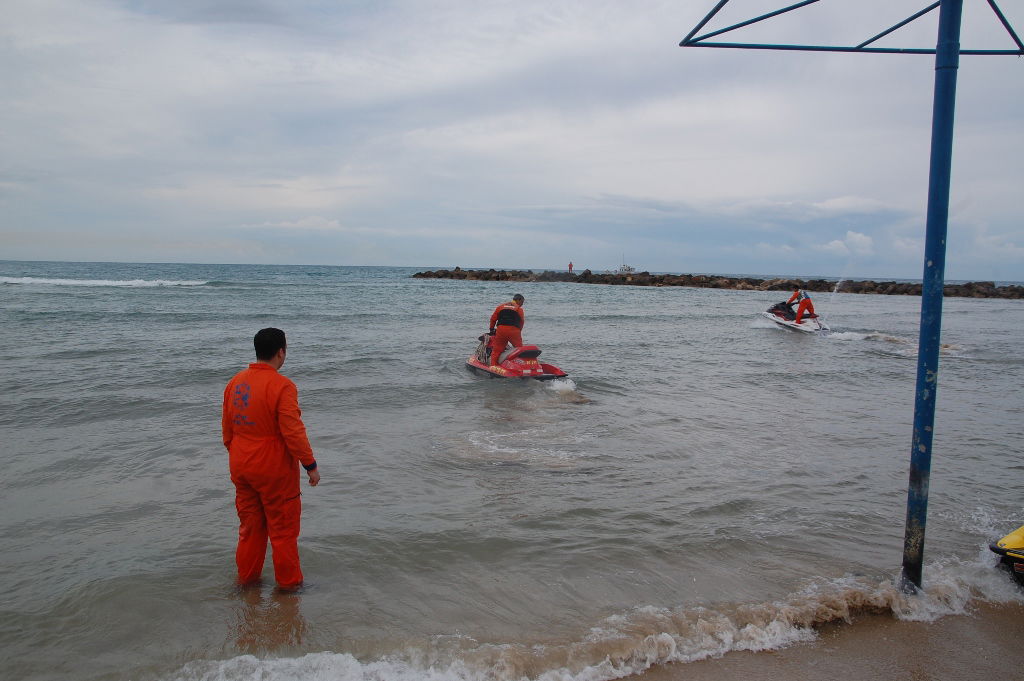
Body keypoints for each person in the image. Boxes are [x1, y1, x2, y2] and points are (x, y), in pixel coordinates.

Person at [222, 327, 320, 591]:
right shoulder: (282, 386)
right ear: (281, 352)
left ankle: (247, 583)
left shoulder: (235, 382)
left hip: (241, 464)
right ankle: (289, 589)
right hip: (273, 469)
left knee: (250, 529)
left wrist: (240, 456)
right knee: (283, 532)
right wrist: (310, 465)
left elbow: (227, 431)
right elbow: (293, 430)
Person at [488, 293, 525, 367]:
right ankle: (521, 366)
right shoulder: (519, 309)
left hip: (501, 330)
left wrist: (491, 329)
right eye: (522, 302)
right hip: (514, 331)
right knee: (519, 350)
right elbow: (521, 322)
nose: (522, 304)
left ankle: (493, 366)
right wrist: (518, 331)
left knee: (497, 350)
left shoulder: (500, 307)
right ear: (519, 300)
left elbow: (493, 319)